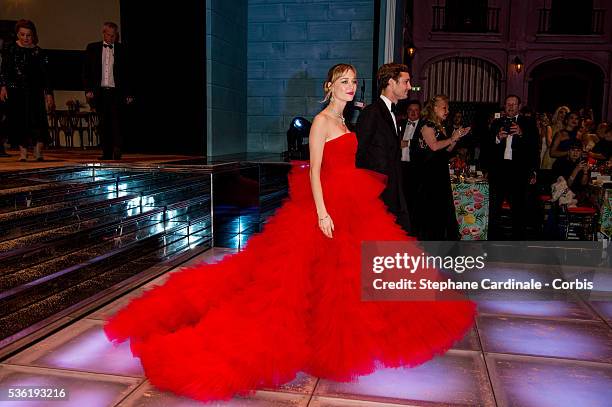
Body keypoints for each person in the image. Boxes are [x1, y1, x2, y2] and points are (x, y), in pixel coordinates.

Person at [103, 63, 476, 402]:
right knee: (296, 284)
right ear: (329, 86)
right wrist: (323, 213)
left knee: (346, 276)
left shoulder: (346, 122)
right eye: (343, 82)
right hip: (325, 206)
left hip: (353, 203)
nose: (350, 87)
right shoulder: (322, 122)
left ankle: (341, 335)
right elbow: (313, 171)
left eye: (354, 82)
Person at [356, 63, 412, 234]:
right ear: (390, 82)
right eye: (405, 82)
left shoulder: (393, 114)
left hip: (393, 191)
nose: (409, 87)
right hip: (377, 195)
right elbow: (359, 154)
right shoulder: (372, 113)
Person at [410, 95, 467, 240]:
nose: (447, 111)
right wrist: (452, 138)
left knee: (444, 210)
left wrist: (457, 137)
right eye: (444, 107)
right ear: (434, 109)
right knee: (431, 211)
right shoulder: (427, 125)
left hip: (440, 173)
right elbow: (434, 147)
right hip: (429, 176)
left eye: (447, 107)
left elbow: (447, 150)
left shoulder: (441, 126)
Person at [0, 19, 54, 161]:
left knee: (38, 121)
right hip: (16, 91)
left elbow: (46, 76)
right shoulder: (11, 49)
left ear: (33, 35)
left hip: (35, 92)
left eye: (28, 35)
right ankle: (23, 154)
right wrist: (3, 87)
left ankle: (38, 153)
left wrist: (48, 94)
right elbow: (4, 70)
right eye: (22, 35)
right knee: (20, 122)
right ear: (17, 34)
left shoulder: (39, 52)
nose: (25, 38)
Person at [487, 95, 539, 240]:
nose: (510, 107)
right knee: (494, 209)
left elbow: (534, 148)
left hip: (519, 172)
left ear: (519, 106)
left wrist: (522, 134)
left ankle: (518, 243)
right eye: (508, 104)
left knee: (519, 209)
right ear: (504, 105)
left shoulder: (528, 123)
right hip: (499, 172)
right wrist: (497, 138)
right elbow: (486, 147)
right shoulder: (496, 123)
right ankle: (493, 241)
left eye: (513, 104)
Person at [83, 22, 132, 160]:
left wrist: (128, 93)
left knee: (117, 122)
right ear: (103, 33)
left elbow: (128, 73)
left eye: (114, 35)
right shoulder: (92, 48)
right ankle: (106, 152)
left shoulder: (122, 49)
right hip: (100, 92)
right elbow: (86, 71)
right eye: (109, 35)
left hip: (116, 92)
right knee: (103, 123)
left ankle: (117, 149)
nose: (111, 38)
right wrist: (88, 90)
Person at [399, 100, 421, 228]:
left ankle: (413, 225)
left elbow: (425, 144)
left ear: (420, 112)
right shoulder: (400, 124)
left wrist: (408, 143)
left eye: (416, 110)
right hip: (401, 165)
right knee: (402, 197)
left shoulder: (424, 126)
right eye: (410, 110)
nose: (413, 113)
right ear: (407, 112)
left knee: (414, 198)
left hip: (415, 167)